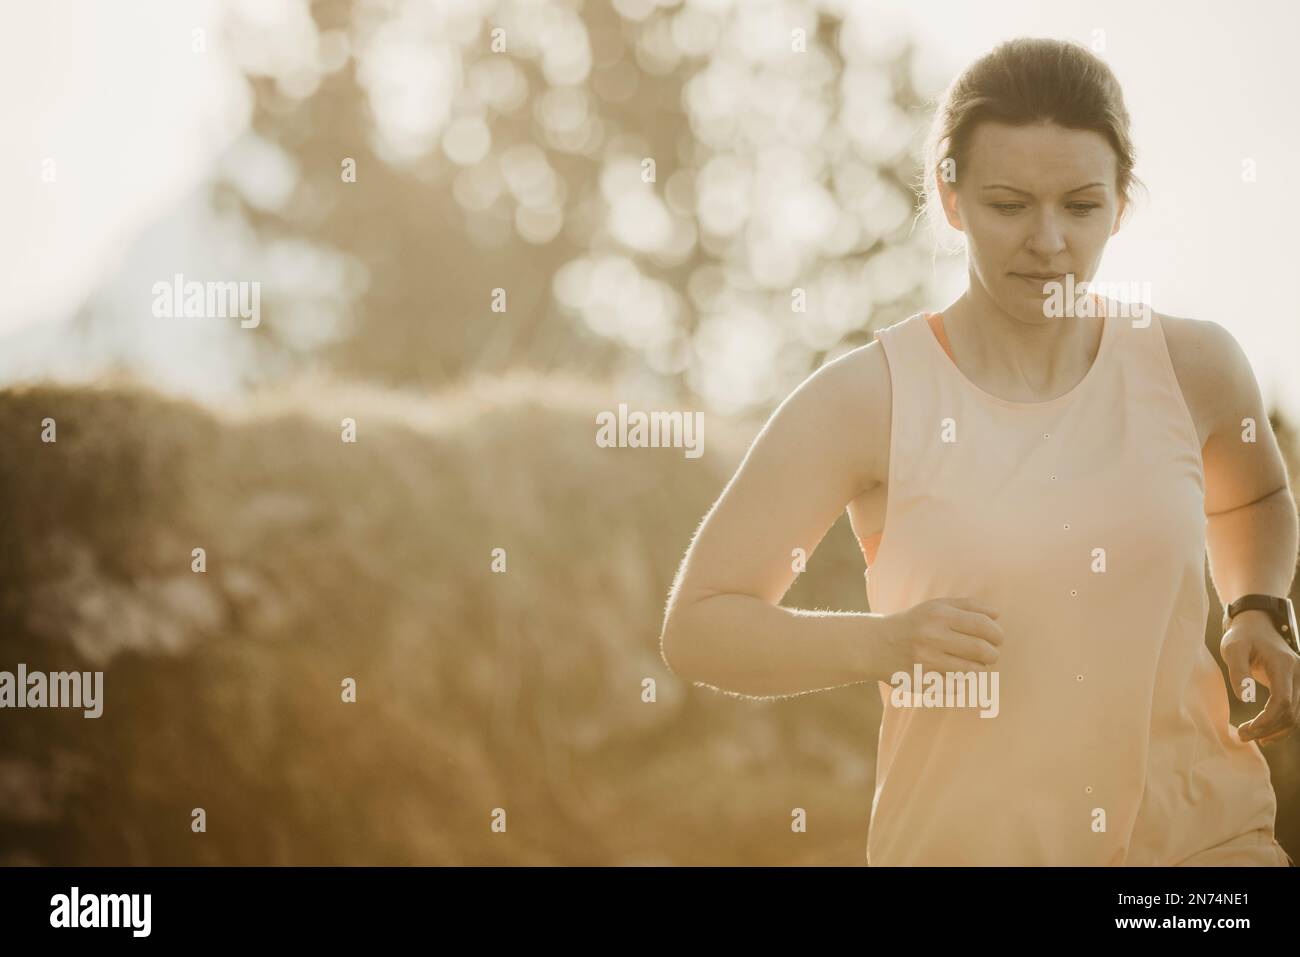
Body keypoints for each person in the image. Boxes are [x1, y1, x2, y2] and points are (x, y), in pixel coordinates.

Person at [658, 37, 1299, 866]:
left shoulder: (1196, 366)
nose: (1049, 241)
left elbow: (1251, 497)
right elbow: (701, 626)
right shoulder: (867, 398)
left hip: (1201, 852)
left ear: (1122, 202)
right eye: (1008, 204)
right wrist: (886, 644)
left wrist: (1258, 605)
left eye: (1080, 205)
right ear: (950, 196)